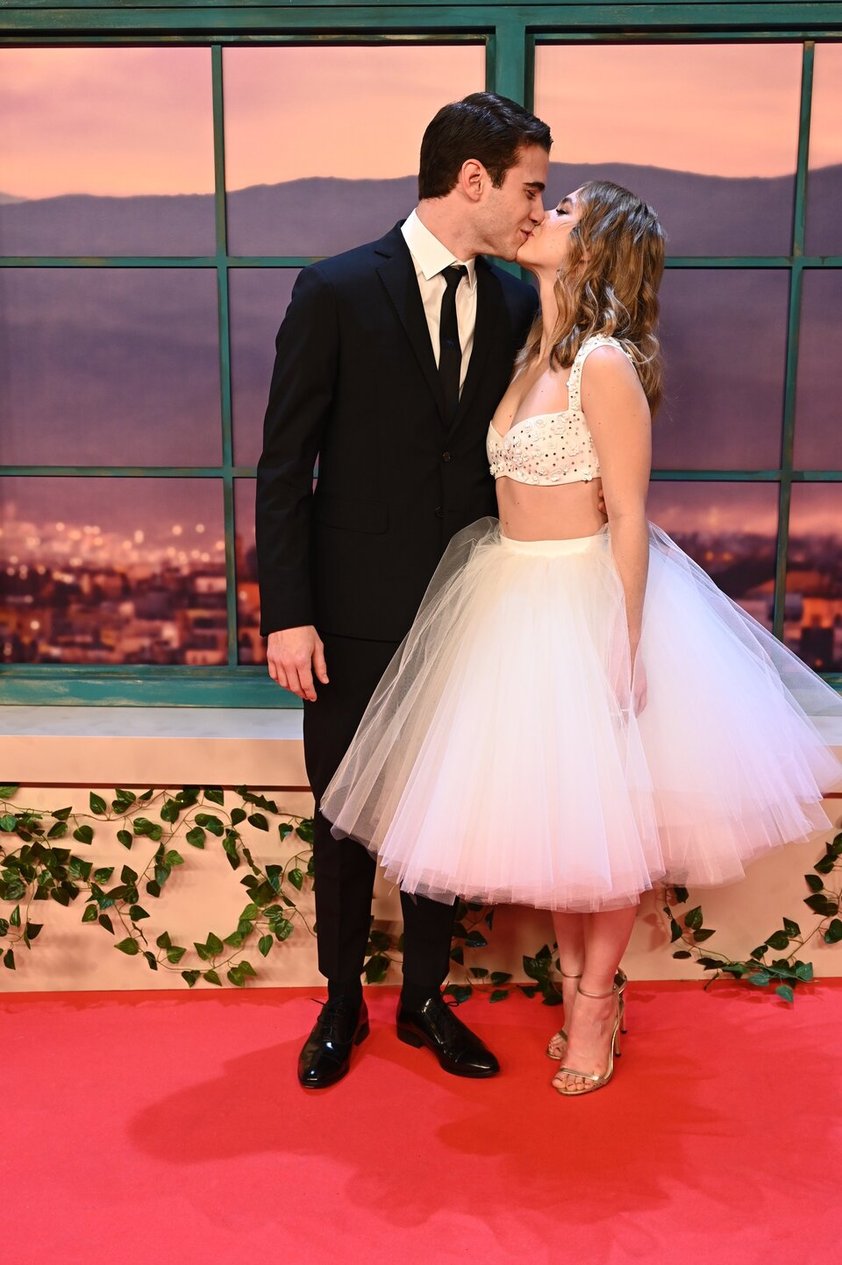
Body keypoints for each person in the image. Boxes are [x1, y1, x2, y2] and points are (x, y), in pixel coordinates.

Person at [321, 179, 842, 1097]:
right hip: (508, 594)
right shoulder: (533, 349)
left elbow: (632, 517)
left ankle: (594, 999)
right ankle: (582, 987)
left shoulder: (605, 362)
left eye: (564, 211)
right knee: (567, 824)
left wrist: (625, 638)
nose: (543, 215)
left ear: (595, 248)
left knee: (607, 829)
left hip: (585, 599)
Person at [256, 93, 552, 1088]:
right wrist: (287, 611)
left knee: (446, 819)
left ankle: (424, 1000)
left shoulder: (517, 301)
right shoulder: (334, 288)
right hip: (346, 617)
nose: (534, 209)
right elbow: (282, 464)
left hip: (470, 614)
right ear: (473, 179)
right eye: (530, 187)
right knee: (342, 820)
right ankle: (339, 999)